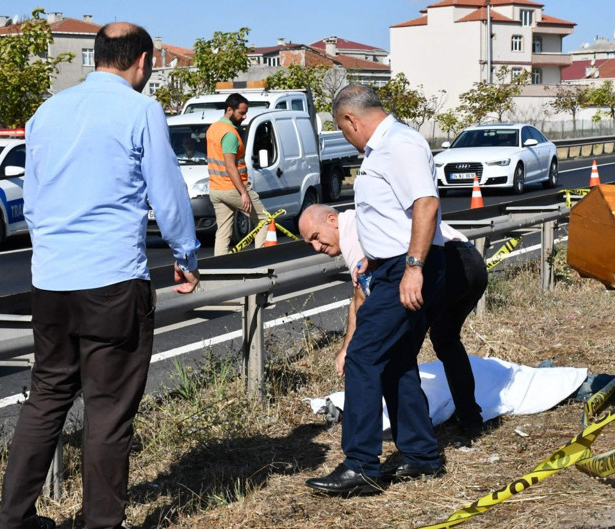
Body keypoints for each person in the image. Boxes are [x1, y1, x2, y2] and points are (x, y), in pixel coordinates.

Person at [0, 22, 200, 529]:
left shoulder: (47, 111)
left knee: (46, 398)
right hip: (111, 279)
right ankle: (101, 523)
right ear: (144, 62)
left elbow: (35, 200)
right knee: (108, 411)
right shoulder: (141, 110)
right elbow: (168, 194)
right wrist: (185, 254)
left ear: (98, 55)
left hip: (50, 281)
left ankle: (14, 520)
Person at [304, 85, 446, 495]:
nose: (347, 138)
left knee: (363, 357)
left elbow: (426, 204)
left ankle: (361, 465)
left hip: (408, 266)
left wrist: (413, 267)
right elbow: (388, 216)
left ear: (350, 119)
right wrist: (374, 258)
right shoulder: (380, 151)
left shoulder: (399, 144)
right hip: (390, 265)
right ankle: (421, 455)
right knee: (396, 360)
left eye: (343, 130)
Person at [298, 204, 485, 431]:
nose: (317, 247)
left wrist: (349, 347)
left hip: (443, 264)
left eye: (316, 237)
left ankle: (419, 434)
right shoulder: (364, 216)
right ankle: (470, 419)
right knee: (446, 339)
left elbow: (361, 297)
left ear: (332, 220)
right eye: (310, 244)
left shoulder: (352, 233)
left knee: (401, 353)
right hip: (471, 262)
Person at [207, 93, 269, 255]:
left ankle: (219, 267)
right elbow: (230, 166)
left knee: (223, 231)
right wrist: (243, 193)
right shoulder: (229, 134)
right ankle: (261, 259)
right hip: (232, 187)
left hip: (215, 188)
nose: (245, 116)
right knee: (264, 220)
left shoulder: (214, 128)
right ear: (229, 110)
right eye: (241, 113)